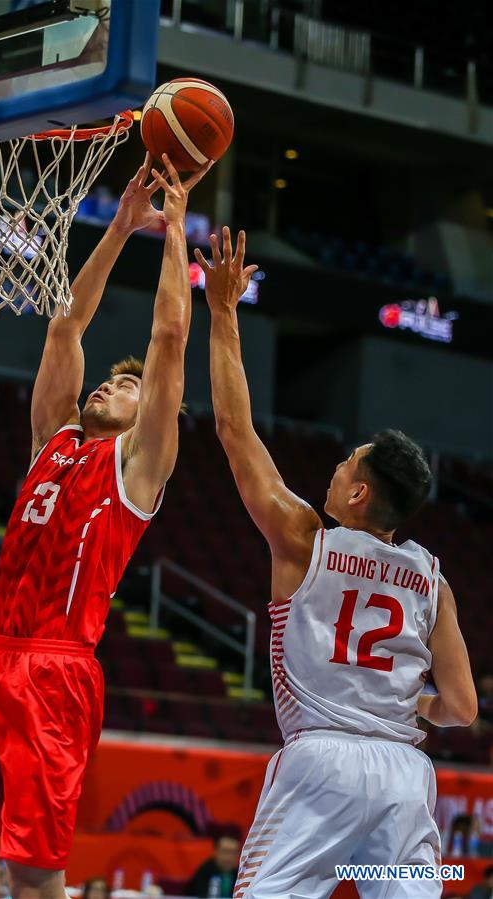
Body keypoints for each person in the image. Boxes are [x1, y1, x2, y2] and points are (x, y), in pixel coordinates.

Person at [0, 152, 211, 899]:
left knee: (33, 877)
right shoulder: (56, 440)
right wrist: (118, 228)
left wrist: (172, 231)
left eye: (129, 384)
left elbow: (170, 340)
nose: (112, 381)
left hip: (55, 673)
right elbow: (65, 326)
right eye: (113, 376)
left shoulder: (140, 465)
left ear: (152, 413)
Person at [195, 227, 478, 899]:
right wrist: (408, 702)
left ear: (357, 492)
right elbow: (462, 707)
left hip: (320, 763)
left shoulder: (304, 537)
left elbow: (234, 432)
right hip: (405, 776)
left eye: (343, 462)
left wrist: (224, 313)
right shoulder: (430, 578)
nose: (332, 466)